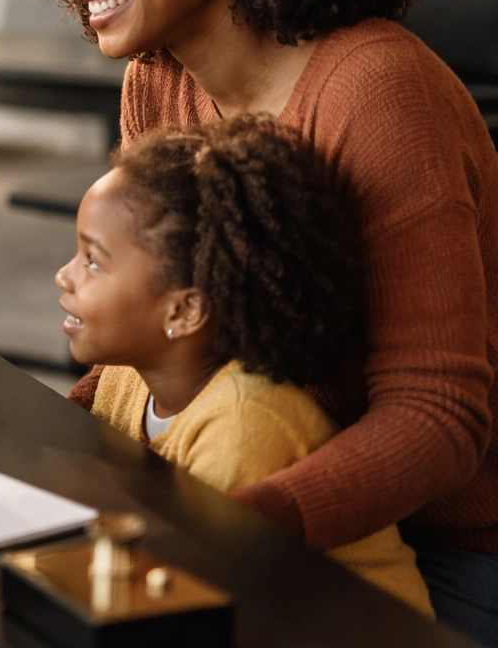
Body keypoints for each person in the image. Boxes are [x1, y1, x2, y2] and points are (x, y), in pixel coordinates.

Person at [14, 0, 498, 641]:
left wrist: (234, 531)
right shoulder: (158, 81)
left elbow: (439, 415)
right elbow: (150, 317)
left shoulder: (378, 94)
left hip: (442, 543)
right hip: (242, 481)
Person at [57, 117, 432, 613]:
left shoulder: (242, 425)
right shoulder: (129, 374)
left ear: (183, 311)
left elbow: (187, 597)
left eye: (94, 261)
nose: (65, 275)